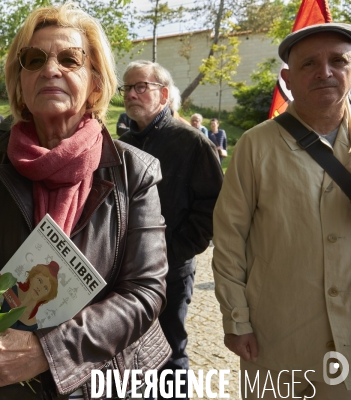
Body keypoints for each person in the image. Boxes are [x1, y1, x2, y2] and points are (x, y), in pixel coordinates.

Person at [0, 4, 171, 400]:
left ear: (96, 83)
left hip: (98, 382)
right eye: (34, 60)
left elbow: (145, 291)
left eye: (70, 59)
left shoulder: (135, 171)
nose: (51, 70)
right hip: (3, 387)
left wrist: (47, 351)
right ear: (20, 84)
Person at [212, 22, 351, 399]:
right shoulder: (255, 147)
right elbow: (228, 240)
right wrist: (236, 320)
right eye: (309, 64)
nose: (325, 72)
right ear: (287, 79)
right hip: (280, 340)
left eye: (338, 60)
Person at [118, 60, 223, 399]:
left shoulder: (192, 142)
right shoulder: (123, 142)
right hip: (126, 271)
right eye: (127, 88)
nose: (131, 94)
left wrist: (172, 252)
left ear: (163, 94)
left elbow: (212, 209)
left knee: (169, 351)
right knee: (130, 349)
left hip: (171, 271)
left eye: (141, 87)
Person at [1, 261, 60, 331]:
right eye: (39, 280)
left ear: (46, 296)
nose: (39, 288)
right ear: (32, 278)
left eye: (45, 288)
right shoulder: (12, 291)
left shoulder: (33, 327)